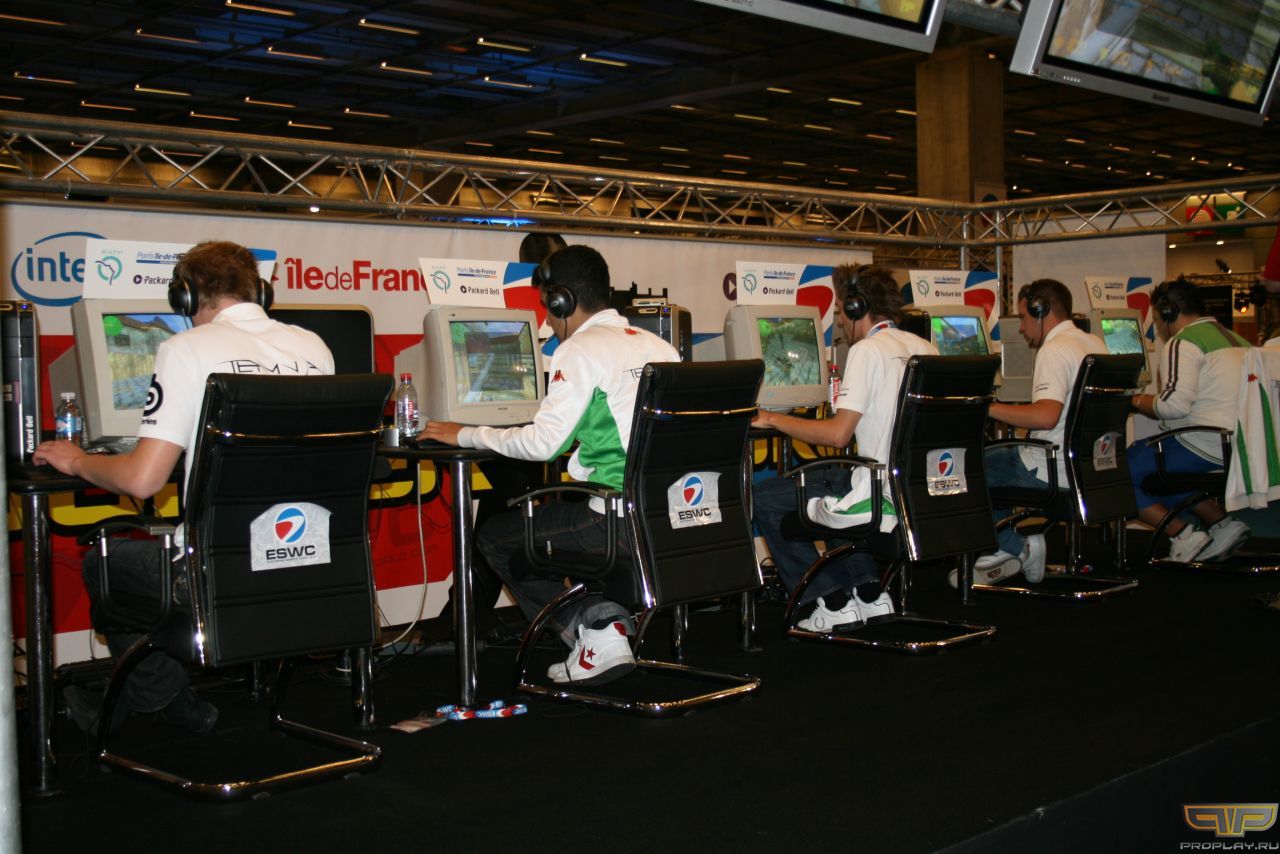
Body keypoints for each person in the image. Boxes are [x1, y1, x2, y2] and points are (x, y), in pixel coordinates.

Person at [34, 240, 334, 735]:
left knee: (107, 562)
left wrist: (78, 460)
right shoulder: (313, 347)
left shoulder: (185, 348)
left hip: (216, 572)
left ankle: (161, 697)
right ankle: (159, 700)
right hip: (302, 558)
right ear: (260, 291)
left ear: (186, 297)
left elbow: (142, 480)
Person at [422, 244, 678, 685]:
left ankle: (597, 628)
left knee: (497, 537)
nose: (547, 319)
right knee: (555, 518)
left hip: (616, 521)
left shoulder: (580, 350)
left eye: (547, 307)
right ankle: (604, 622)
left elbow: (543, 444)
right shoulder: (661, 347)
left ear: (562, 301)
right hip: (667, 514)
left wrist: (462, 432)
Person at [752, 264, 936, 631]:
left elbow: (838, 435)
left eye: (839, 311)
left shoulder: (868, 350)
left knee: (766, 497)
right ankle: (869, 593)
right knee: (837, 482)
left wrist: (771, 419)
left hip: (881, 493)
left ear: (857, 307)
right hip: (919, 491)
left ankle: (826, 601)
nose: (838, 321)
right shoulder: (926, 348)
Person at [974, 279, 1106, 586]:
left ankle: (1016, 547)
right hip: (1089, 466)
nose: (1021, 328)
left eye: (1023, 317)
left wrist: (987, 408)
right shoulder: (1095, 344)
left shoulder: (1055, 350)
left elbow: (1046, 417)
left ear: (1040, 310)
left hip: (1051, 469)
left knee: (969, 468)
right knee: (999, 459)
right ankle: (1007, 546)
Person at [1128, 278, 1252, 561]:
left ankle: (1183, 534)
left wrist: (1134, 401)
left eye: (1157, 319)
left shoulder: (1182, 342)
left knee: (1120, 472)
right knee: (1159, 467)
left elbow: (1173, 406)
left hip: (1205, 442)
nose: (1158, 327)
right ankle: (1222, 524)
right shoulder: (1238, 340)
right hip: (1240, 445)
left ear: (1168, 312)